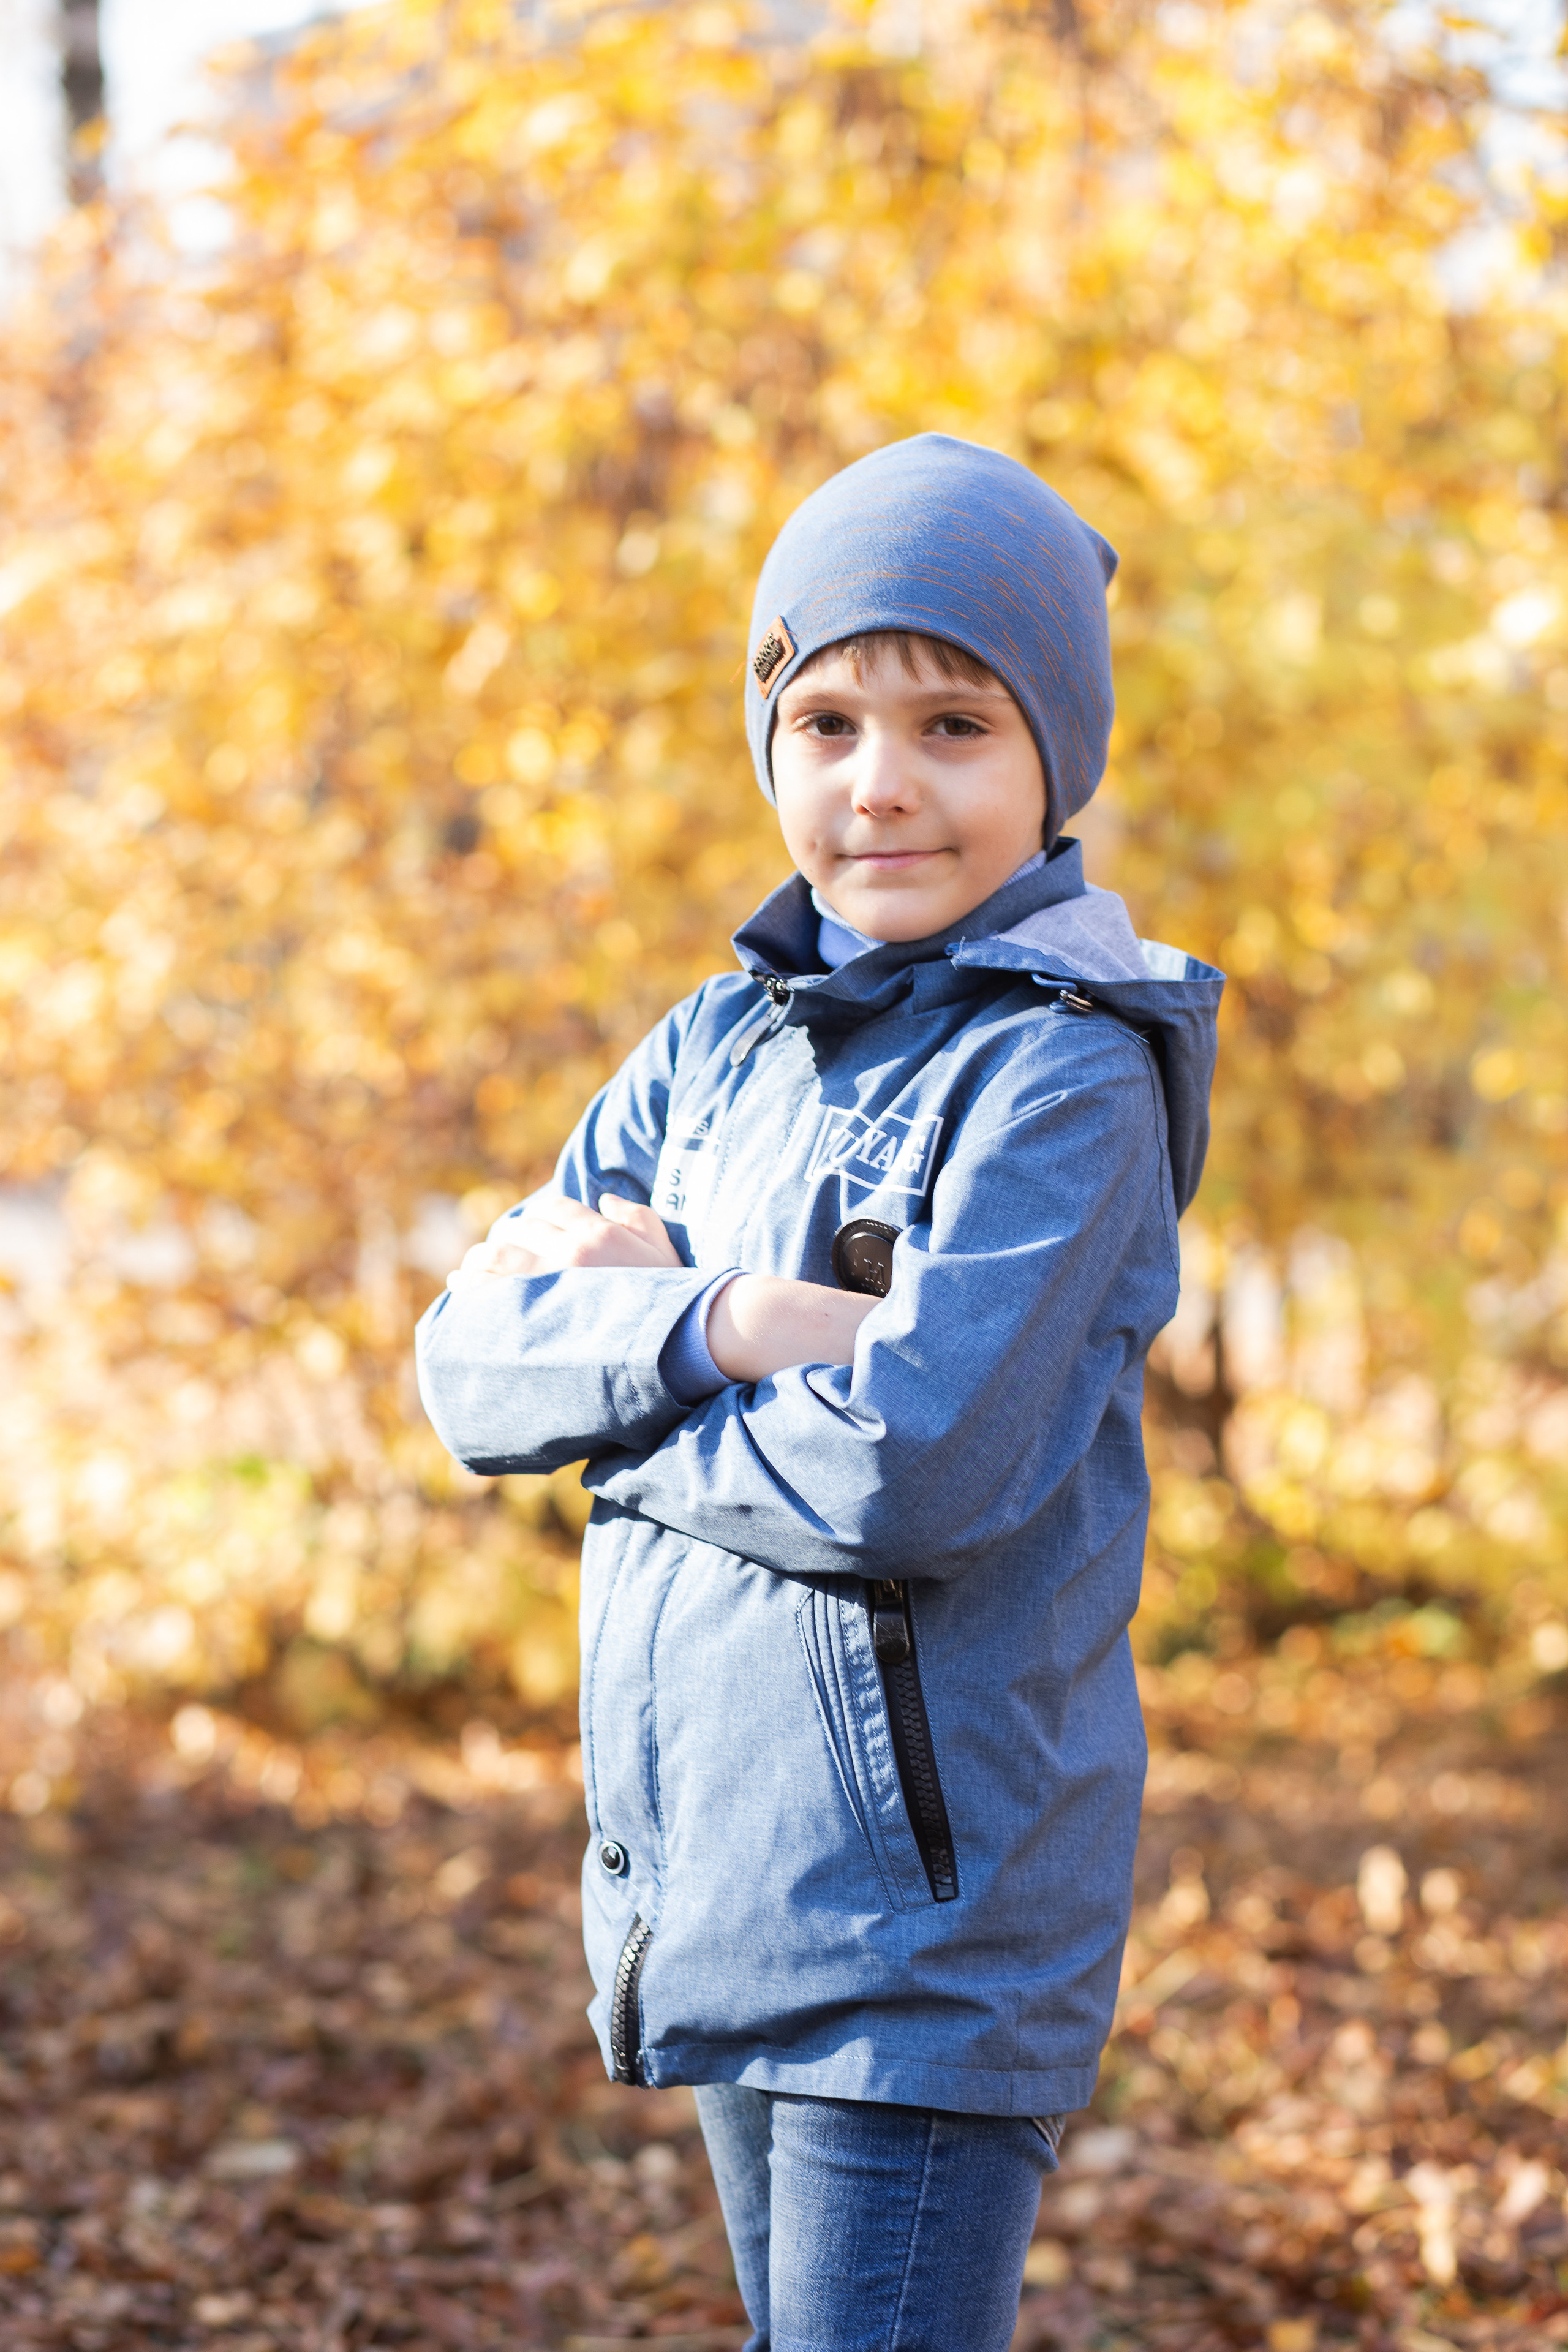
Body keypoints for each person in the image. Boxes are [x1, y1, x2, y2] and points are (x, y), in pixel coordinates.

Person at [416, 433, 1223, 2352]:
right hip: (728, 1886)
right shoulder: (715, 1045)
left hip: (926, 1935)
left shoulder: (1066, 1077)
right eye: (829, 717)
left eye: (954, 723)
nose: (881, 783)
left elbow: (916, 1472)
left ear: (1054, 763)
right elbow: (464, 1364)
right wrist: (735, 1326)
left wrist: (614, 1402)